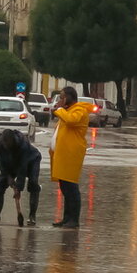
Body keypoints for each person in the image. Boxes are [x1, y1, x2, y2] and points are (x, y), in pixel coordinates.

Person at [48, 86, 93, 228]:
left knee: (71, 187)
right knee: (65, 187)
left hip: (71, 154)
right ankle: (66, 218)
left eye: (61, 97)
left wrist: (60, 110)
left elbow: (71, 121)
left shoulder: (79, 111)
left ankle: (74, 220)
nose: (60, 100)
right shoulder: (67, 111)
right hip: (62, 154)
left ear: (68, 98)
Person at [0, 128, 41, 226]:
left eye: (9, 146)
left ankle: (32, 216)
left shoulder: (22, 144)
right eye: (5, 146)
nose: (6, 147)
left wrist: (18, 188)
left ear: (13, 142)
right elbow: (1, 162)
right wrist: (8, 177)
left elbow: (22, 168)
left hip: (32, 160)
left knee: (33, 184)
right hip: (11, 163)